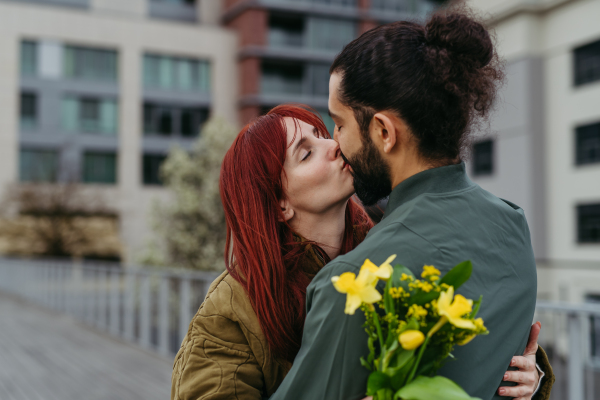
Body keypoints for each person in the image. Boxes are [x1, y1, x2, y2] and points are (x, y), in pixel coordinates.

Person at [170, 105, 553, 400]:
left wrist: (526, 379)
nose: (334, 146)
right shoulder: (234, 305)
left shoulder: (396, 248)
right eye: (306, 154)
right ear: (280, 203)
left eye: (324, 133)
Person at [267, 10, 554, 400]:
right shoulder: (513, 224)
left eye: (340, 123)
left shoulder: (353, 284)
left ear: (384, 132)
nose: (336, 143)